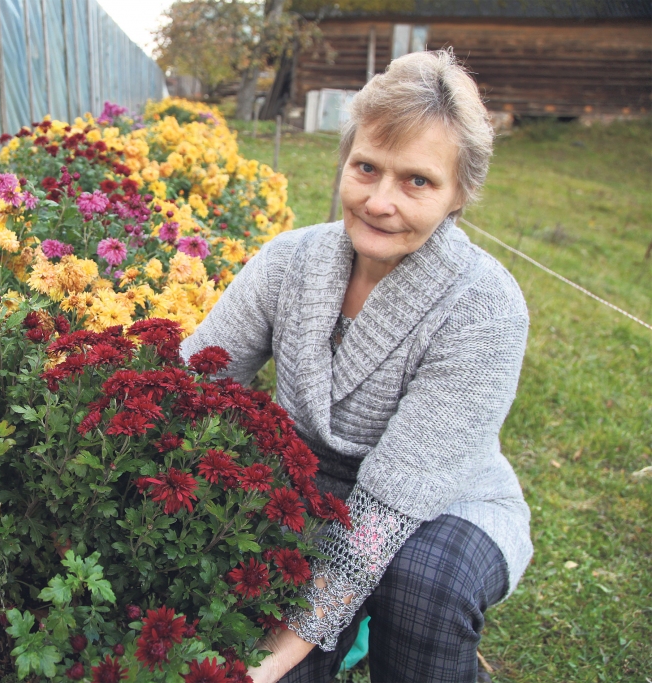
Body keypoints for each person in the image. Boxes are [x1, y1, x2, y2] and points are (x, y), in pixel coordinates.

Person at [180, 49, 532, 682]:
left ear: (458, 195)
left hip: (441, 501)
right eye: (366, 167)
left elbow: (389, 507)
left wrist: (276, 657)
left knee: (424, 583)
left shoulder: (484, 307)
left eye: (417, 181)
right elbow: (196, 378)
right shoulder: (290, 262)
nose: (380, 200)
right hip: (308, 488)